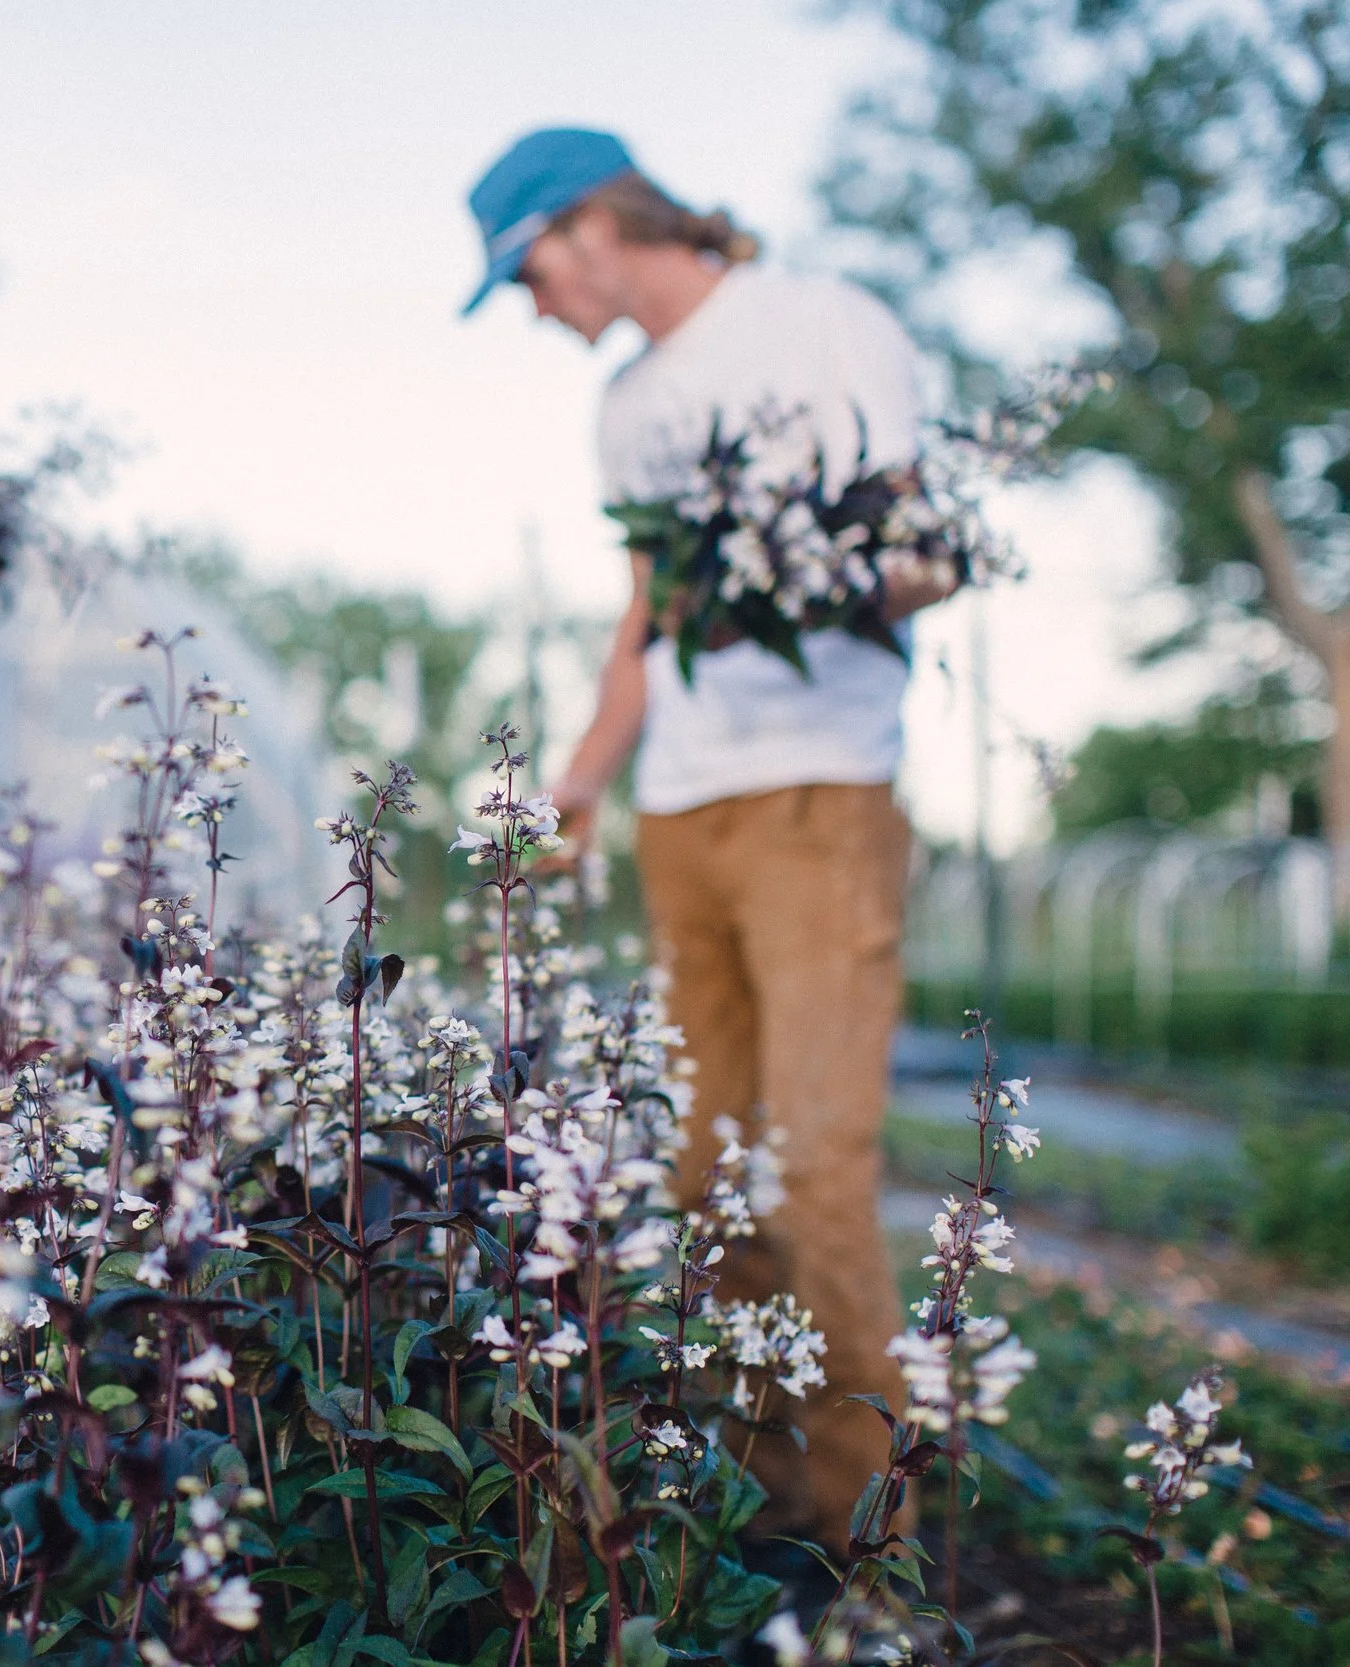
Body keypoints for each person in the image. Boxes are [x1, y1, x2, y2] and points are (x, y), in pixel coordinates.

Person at [461, 128, 957, 1553]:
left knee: (810, 1171)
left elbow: (922, 548)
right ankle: (764, 1520)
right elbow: (644, 620)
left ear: (595, 224)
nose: (534, 304)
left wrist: (789, 581)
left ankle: (880, 1548)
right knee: (708, 1182)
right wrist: (580, 779)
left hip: (822, 794)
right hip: (684, 808)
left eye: (528, 270)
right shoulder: (627, 408)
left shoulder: (824, 325)